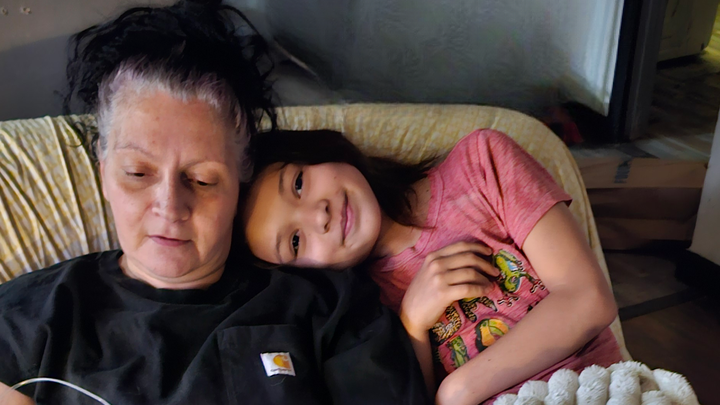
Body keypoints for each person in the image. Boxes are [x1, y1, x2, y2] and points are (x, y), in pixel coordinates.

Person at [0, 2, 429, 404]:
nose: (170, 207)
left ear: (241, 180)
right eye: (137, 173)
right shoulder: (31, 317)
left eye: (202, 180)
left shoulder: (329, 309)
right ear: (103, 173)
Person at [242, 129, 624, 404]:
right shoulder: (358, 314)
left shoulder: (482, 163)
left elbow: (589, 299)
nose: (319, 215)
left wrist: (458, 390)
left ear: (321, 150)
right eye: (295, 241)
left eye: (298, 184)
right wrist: (412, 323)